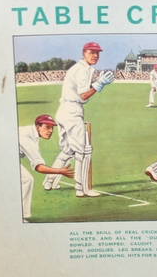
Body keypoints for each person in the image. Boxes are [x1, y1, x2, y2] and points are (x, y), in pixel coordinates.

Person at [43, 42, 114, 197]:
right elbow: (83, 96)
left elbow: (81, 90)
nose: (95, 55)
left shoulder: (82, 68)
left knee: (66, 151)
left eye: (97, 53)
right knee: (82, 152)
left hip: (64, 111)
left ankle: (48, 182)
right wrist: (99, 84)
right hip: (72, 112)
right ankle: (82, 189)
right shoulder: (81, 70)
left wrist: (96, 82)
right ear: (84, 53)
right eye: (91, 52)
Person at [19, 115, 75, 221]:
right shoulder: (25, 137)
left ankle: (23, 215)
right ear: (37, 126)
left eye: (52, 127)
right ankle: (21, 215)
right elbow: (39, 167)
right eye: (47, 127)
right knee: (26, 179)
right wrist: (60, 171)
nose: (50, 131)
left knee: (27, 179)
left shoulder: (32, 134)